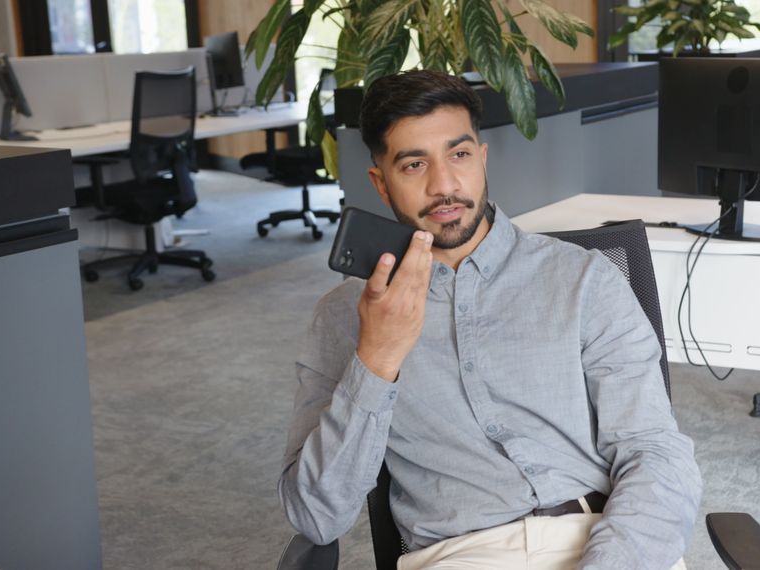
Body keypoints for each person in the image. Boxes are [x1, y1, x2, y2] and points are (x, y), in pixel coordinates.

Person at [279, 70, 702, 570]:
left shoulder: (584, 279)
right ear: (381, 183)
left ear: (481, 159)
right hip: (460, 555)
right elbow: (315, 518)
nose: (444, 186)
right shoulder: (344, 317)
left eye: (458, 155)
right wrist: (378, 357)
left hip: (608, 540)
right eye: (414, 165)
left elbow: (655, 451)